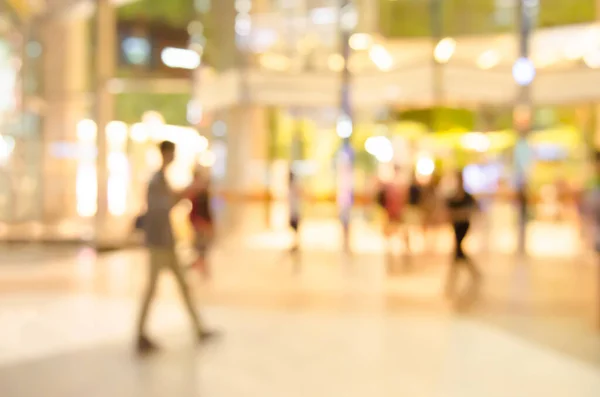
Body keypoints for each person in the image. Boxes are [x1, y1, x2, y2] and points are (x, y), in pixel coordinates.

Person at [137, 140, 217, 353]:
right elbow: (161, 208)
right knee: (152, 288)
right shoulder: (156, 180)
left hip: (167, 242)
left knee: (184, 287)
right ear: (165, 154)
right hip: (158, 244)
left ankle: (199, 329)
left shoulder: (162, 179)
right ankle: (140, 333)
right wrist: (186, 193)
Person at [445, 170, 482, 299]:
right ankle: (470, 271)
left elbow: (475, 208)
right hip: (456, 226)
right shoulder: (453, 195)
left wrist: (462, 213)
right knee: (458, 250)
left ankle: (468, 271)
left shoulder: (467, 196)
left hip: (464, 225)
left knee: (458, 249)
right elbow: (447, 210)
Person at [378, 165, 409, 268]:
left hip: (395, 213)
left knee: (399, 235)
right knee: (394, 235)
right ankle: (396, 253)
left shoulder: (393, 185)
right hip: (393, 213)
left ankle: (401, 254)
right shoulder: (396, 185)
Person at [189, 168, 214, 279]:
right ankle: (200, 270)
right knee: (200, 250)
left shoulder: (200, 192)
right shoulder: (197, 192)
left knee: (202, 250)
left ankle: (201, 270)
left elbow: (205, 211)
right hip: (199, 225)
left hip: (201, 225)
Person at [288, 170, 302, 252]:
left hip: (295, 210)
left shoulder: (294, 186)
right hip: (293, 210)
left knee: (295, 227)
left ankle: (296, 243)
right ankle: (295, 242)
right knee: (293, 227)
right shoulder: (290, 187)